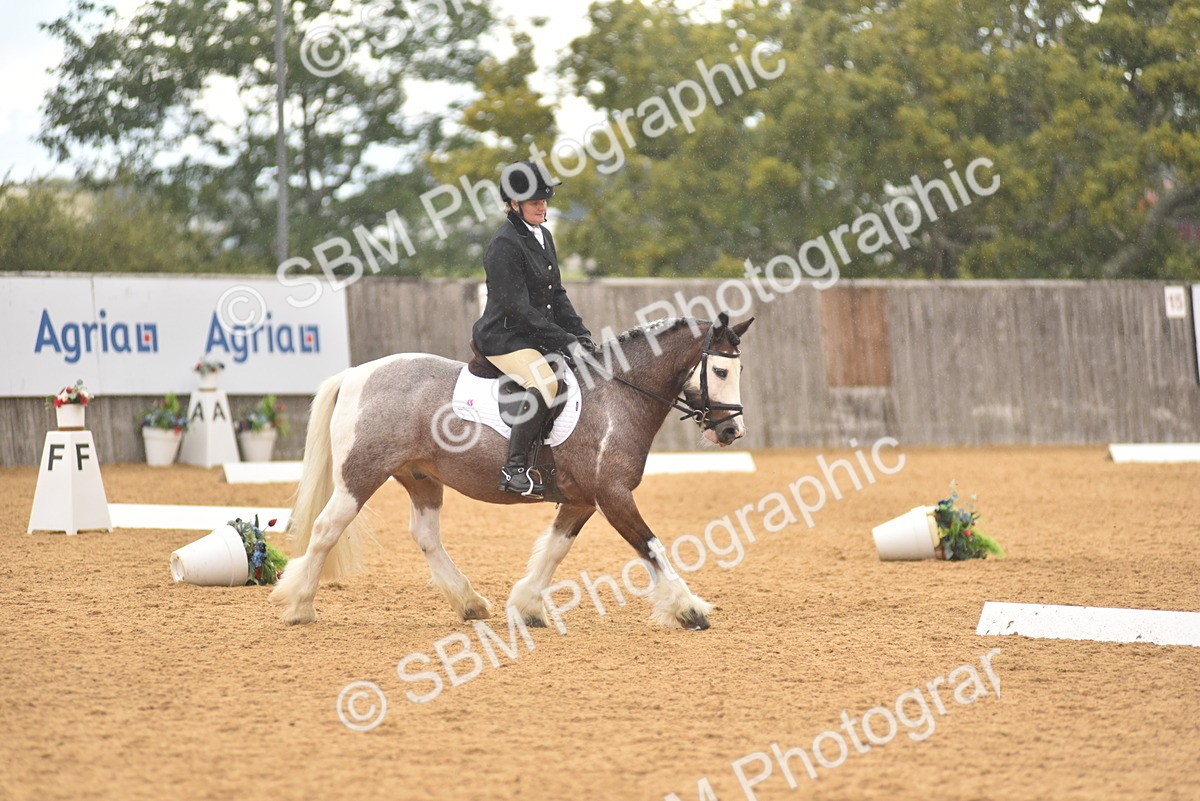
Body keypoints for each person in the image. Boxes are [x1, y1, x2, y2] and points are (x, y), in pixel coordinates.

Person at [471, 160, 596, 498]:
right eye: (534, 201)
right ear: (513, 204)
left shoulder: (544, 236)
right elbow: (518, 308)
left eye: (544, 200)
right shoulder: (504, 245)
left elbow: (557, 295)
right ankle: (513, 469)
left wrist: (581, 334)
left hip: (534, 334)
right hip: (506, 337)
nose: (542, 206)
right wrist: (564, 340)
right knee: (544, 381)